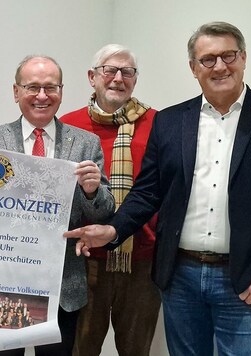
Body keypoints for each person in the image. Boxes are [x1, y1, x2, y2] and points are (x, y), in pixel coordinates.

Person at [64, 21, 251, 356]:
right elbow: (148, 192)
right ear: (193, 68)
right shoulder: (171, 120)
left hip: (247, 279)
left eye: (229, 56)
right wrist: (113, 229)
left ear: (244, 58)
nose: (220, 66)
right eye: (208, 59)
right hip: (180, 277)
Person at [0, 55, 115, 356]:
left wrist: (93, 191)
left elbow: (103, 213)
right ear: (16, 92)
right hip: (2, 286)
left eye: (50, 88)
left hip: (62, 286)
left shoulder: (85, 143)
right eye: (32, 87)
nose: (42, 96)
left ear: (61, 91)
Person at [60, 44, 160, 356]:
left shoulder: (159, 124)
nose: (118, 78)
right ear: (92, 77)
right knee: (80, 348)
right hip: (84, 261)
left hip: (142, 261)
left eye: (127, 71)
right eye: (109, 70)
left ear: (135, 79)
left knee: (136, 349)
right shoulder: (68, 125)